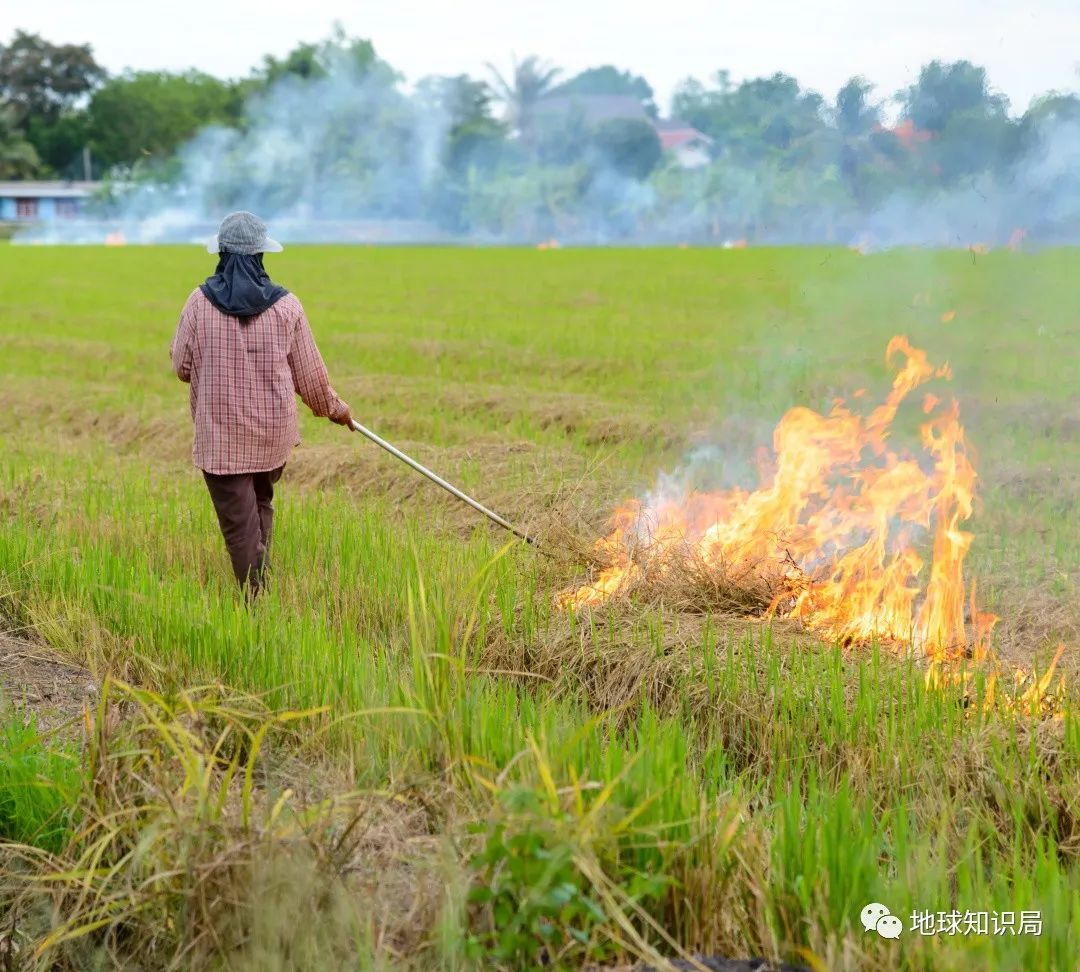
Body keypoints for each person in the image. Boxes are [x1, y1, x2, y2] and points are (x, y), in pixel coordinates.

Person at [170, 211, 352, 597]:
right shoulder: (287, 307)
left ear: (220, 254)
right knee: (259, 501)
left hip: (221, 437)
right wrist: (337, 410)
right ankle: (261, 573)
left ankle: (256, 599)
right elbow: (312, 378)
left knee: (239, 523)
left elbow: (181, 366)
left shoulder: (199, 303)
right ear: (259, 256)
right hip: (273, 436)